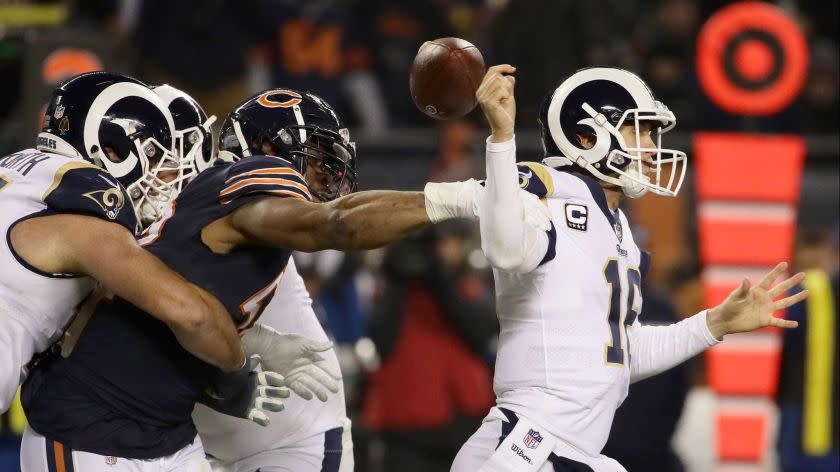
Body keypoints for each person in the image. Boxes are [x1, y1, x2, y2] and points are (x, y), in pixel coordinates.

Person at [20, 86, 549, 472]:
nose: (326, 179)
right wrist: (452, 197)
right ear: (268, 155)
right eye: (316, 163)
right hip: (90, 423)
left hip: (164, 432)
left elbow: (168, 297)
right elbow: (336, 223)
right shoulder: (245, 182)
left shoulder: (191, 213)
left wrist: (257, 340)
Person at [450, 65, 810, 471]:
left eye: (652, 134)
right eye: (637, 131)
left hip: (574, 452)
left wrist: (713, 324)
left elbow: (619, 355)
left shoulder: (618, 228)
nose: (652, 148)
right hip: (525, 449)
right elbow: (506, 249)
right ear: (585, 137)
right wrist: (501, 141)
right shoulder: (547, 195)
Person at [0, 71, 252, 419]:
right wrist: (236, 371)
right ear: (110, 148)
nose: (158, 175)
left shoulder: (22, 176)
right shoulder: (86, 220)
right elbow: (189, 314)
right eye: (153, 157)